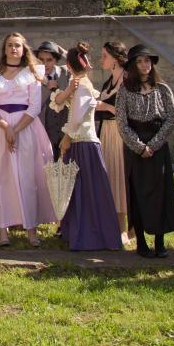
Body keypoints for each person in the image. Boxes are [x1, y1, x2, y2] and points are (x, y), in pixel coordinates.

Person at [0, 32, 56, 247]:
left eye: (17, 45)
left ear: (24, 50)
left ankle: (31, 229)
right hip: (0, 130)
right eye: (10, 45)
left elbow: (34, 106)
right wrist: (6, 127)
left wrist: (16, 129)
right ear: (4, 50)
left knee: (27, 178)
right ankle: (3, 230)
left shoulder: (32, 74)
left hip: (26, 129)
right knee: (1, 178)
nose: (14, 49)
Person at [51, 43, 122, 251]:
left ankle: (90, 236)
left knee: (87, 191)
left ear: (69, 66)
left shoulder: (82, 85)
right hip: (81, 141)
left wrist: (66, 138)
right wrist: (63, 91)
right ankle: (78, 232)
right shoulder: (80, 83)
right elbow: (58, 103)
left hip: (83, 142)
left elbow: (77, 117)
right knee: (82, 190)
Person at [115, 45, 174, 258]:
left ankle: (160, 240)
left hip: (158, 145)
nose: (145, 65)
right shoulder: (125, 90)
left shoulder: (162, 89)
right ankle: (141, 240)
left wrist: (153, 145)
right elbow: (121, 122)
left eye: (147, 61)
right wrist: (138, 146)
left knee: (160, 191)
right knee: (137, 191)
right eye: (140, 61)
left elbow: (171, 118)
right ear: (133, 65)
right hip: (135, 145)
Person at [95, 40, 131, 246]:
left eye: (105, 56)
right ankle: (114, 225)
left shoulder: (127, 80)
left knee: (121, 176)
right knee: (112, 176)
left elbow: (131, 109)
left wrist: (105, 107)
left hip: (121, 132)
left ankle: (125, 228)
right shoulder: (109, 81)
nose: (102, 60)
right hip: (107, 132)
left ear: (116, 60)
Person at [35, 40, 71, 161]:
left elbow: (85, 67)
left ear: (56, 60)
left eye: (49, 60)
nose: (45, 64)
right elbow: (35, 106)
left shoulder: (66, 72)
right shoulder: (32, 77)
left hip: (66, 131)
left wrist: (66, 53)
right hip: (43, 132)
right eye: (41, 60)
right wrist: (45, 85)